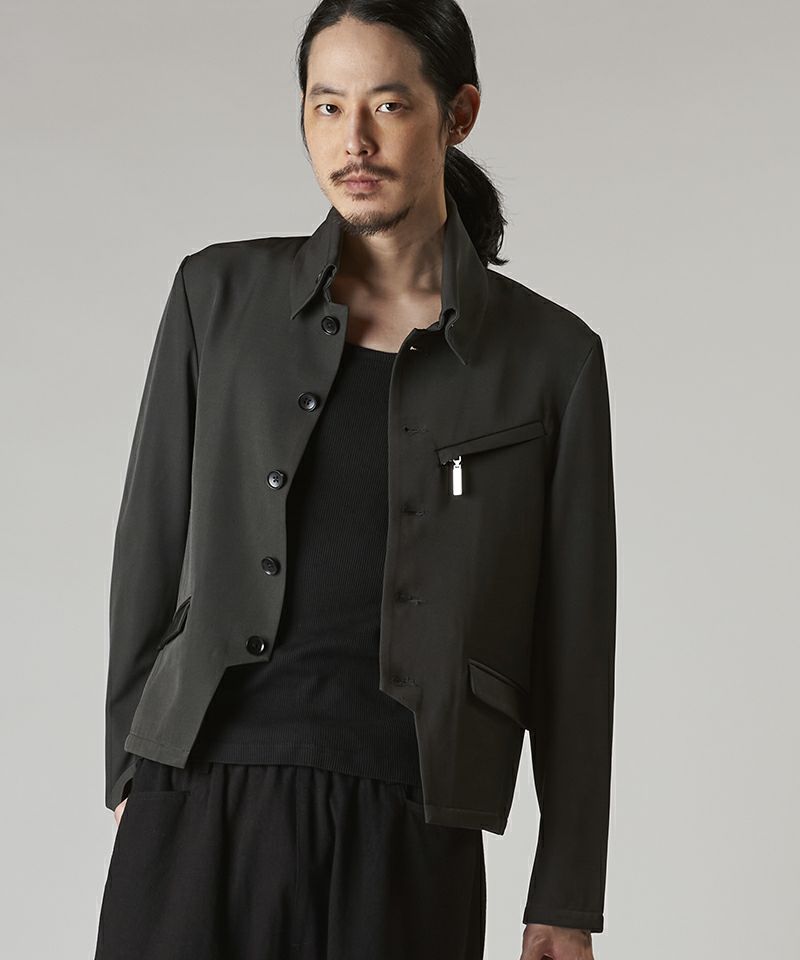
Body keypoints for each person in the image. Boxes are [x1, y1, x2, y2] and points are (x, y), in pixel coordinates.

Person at [94, 2, 617, 959]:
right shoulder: (217, 297)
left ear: (457, 115)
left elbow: (575, 640)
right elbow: (149, 542)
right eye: (327, 106)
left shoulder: (551, 360)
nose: (354, 141)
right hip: (199, 796)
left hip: (409, 824)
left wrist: (566, 895)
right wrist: (131, 766)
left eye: (388, 104)